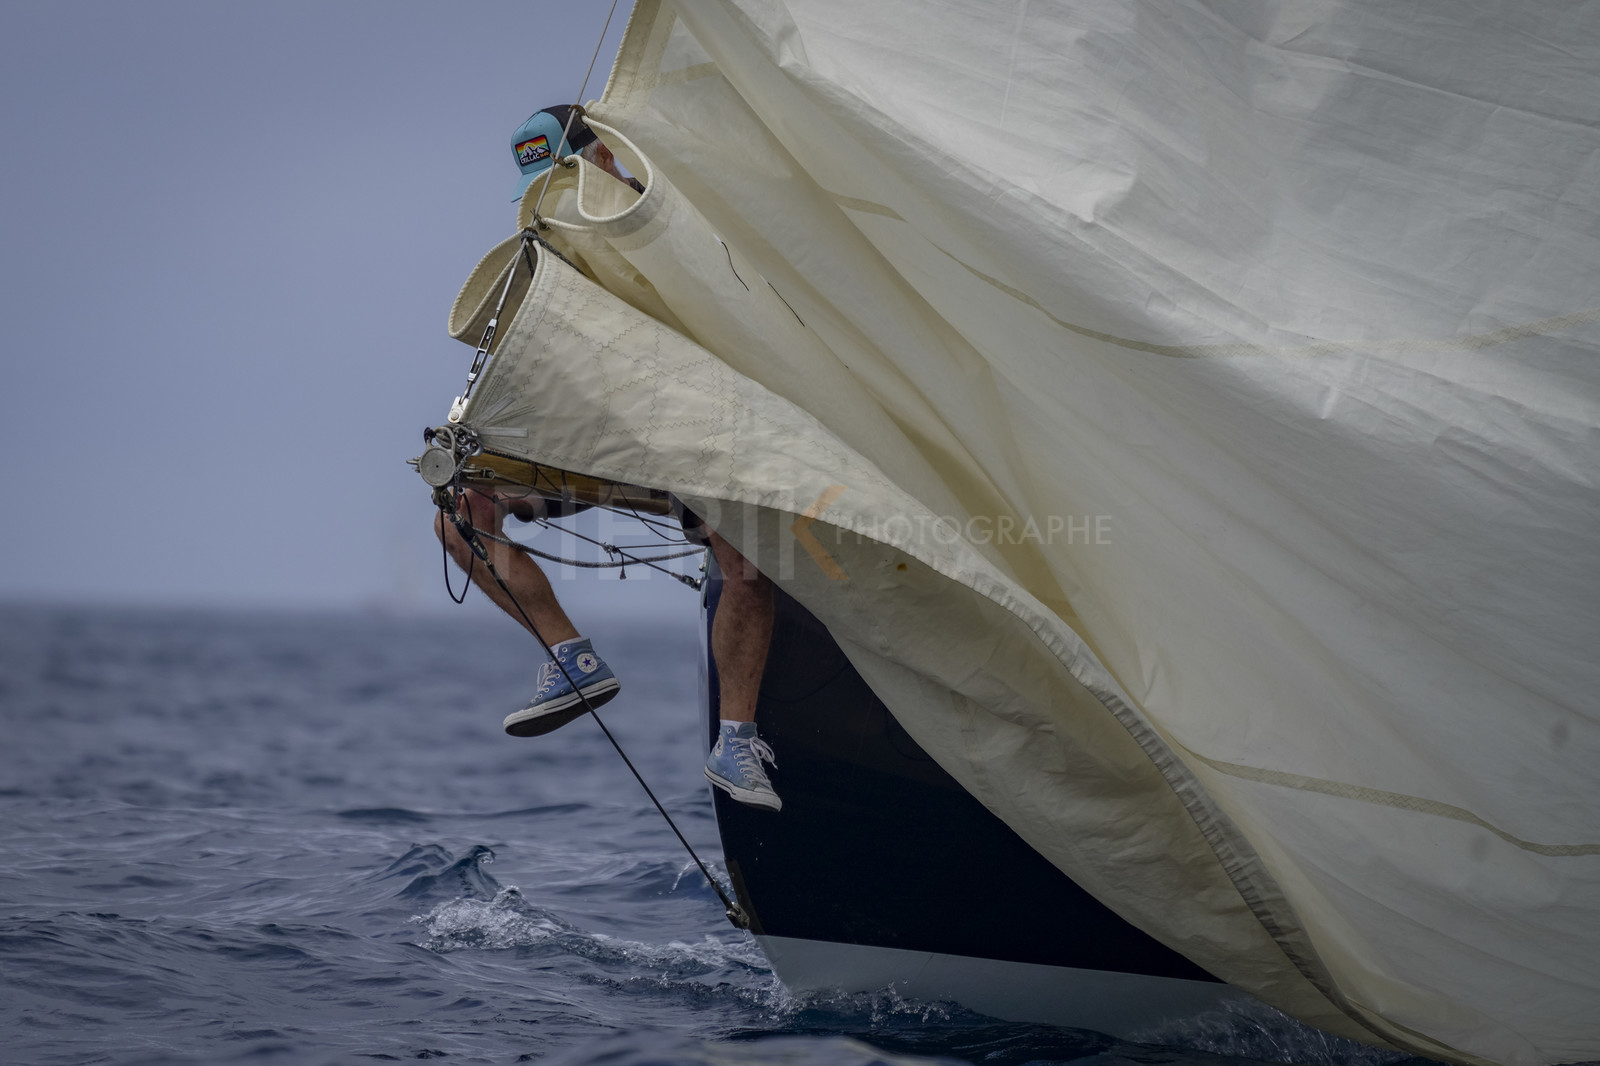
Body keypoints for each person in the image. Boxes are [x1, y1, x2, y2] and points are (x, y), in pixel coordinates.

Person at [434, 106, 783, 811]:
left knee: (746, 558)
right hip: (599, 450)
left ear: (601, 161)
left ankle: (738, 741)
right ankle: (573, 660)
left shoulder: (673, 231)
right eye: (541, 188)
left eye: (564, 178)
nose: (553, 200)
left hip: (690, 443)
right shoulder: (545, 258)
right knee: (460, 514)